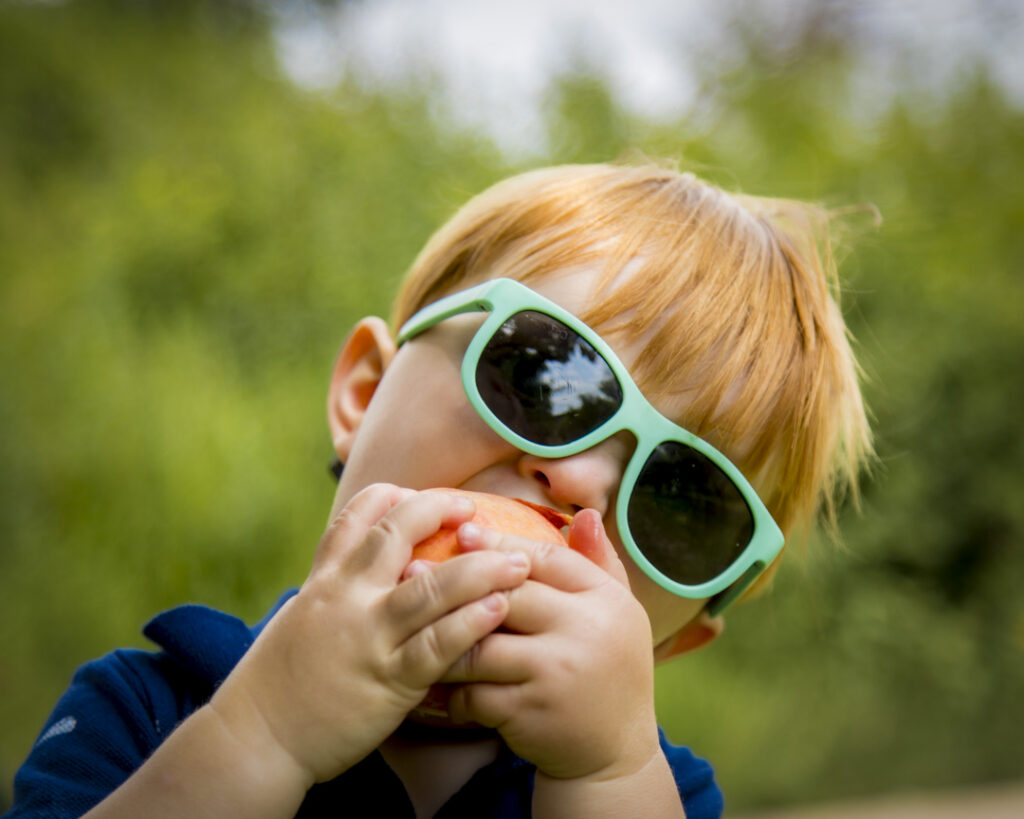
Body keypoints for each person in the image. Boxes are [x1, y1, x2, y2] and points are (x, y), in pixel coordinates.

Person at [5, 161, 871, 819]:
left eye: (682, 497)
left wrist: (607, 774)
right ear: (363, 394)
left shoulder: (658, 790)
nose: (581, 482)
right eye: (541, 375)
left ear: (671, 642)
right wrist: (263, 734)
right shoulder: (150, 711)